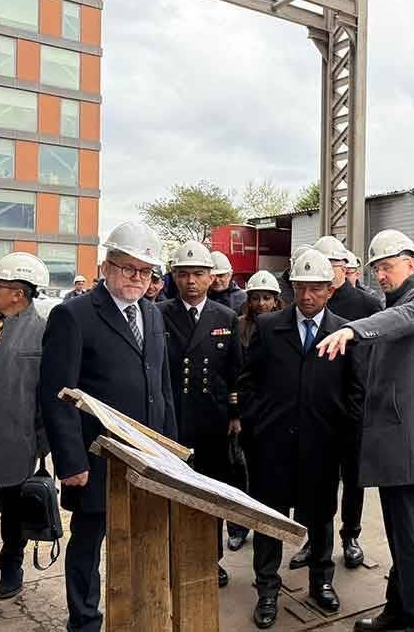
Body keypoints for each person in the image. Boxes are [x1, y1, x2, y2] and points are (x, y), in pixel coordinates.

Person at [40, 220, 177, 632]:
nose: (137, 278)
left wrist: (168, 450)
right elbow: (56, 394)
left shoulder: (151, 315)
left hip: (146, 458)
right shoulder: (74, 315)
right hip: (96, 459)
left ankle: (133, 611)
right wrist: (70, 461)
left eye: (146, 271)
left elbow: (162, 386)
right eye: (127, 268)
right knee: (88, 543)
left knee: (139, 539)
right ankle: (84, 620)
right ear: (106, 266)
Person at [316, 229, 414, 632]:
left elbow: (400, 319)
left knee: (412, 537)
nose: (382, 275)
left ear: (411, 264)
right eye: (377, 269)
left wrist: (354, 329)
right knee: (401, 536)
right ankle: (398, 612)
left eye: (388, 267)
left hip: (407, 442)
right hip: (393, 440)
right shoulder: (397, 300)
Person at [240, 250, 364, 627]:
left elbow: (355, 391)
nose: (307, 297)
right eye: (301, 288)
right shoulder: (269, 327)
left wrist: (343, 435)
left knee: (322, 517)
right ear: (291, 289)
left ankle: (321, 582)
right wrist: (256, 426)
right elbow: (248, 383)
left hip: (322, 447)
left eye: (316, 289)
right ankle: (267, 589)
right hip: (273, 446)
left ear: (330, 290)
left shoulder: (344, 332)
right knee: (269, 520)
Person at [287, 236, 380, 572]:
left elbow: (372, 363)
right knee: (315, 484)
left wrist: (360, 414)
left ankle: (351, 536)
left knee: (353, 479)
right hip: (315, 415)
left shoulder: (367, 306)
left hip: (353, 411)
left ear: (346, 267)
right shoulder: (304, 299)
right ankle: (314, 540)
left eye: (337, 264)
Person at [157, 241, 242, 588]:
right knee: (172, 491)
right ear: (174, 277)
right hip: (173, 417)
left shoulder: (226, 317)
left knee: (211, 491)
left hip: (213, 420)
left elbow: (235, 371)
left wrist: (235, 413)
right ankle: (173, 557)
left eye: (198, 274)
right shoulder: (158, 313)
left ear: (211, 278)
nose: (191, 281)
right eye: (184, 274)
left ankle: (210, 558)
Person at [0, 253, 50, 599]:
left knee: (12, 511)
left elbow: (50, 393)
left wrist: (42, 442)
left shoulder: (43, 332)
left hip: (15, 438)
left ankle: (11, 567)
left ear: (18, 293)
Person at [227, 269, 284, 552]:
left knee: (269, 478)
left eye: (267, 298)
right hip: (246, 414)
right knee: (240, 474)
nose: (262, 303)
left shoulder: (285, 327)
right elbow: (232, 372)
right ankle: (238, 526)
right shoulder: (237, 326)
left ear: (276, 300)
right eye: (256, 298)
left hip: (274, 414)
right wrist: (236, 413)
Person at [209, 250, 247, 314]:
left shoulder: (242, 298)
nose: (216, 280)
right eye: (213, 276)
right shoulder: (201, 296)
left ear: (230, 274)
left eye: (220, 275)